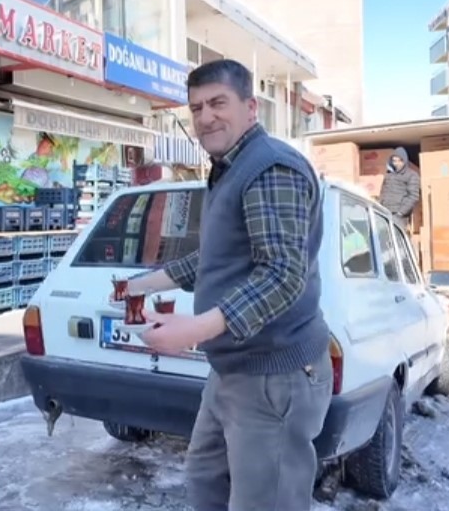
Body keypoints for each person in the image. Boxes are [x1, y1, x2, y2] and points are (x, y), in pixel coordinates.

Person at [122, 59, 332, 511]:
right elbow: (221, 256)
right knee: (206, 485)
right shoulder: (228, 167)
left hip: (274, 373)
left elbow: (282, 275)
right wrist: (144, 284)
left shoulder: (270, 167)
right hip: (232, 371)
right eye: (196, 107)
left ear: (251, 107)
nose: (205, 117)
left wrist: (193, 330)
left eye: (218, 103)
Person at [377, 148, 421, 227]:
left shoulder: (412, 175)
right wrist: (379, 206)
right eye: (394, 160)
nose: (397, 163)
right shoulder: (389, 175)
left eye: (400, 161)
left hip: (399, 215)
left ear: (404, 161)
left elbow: (413, 196)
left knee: (396, 237)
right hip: (385, 211)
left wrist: (401, 213)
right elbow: (383, 191)